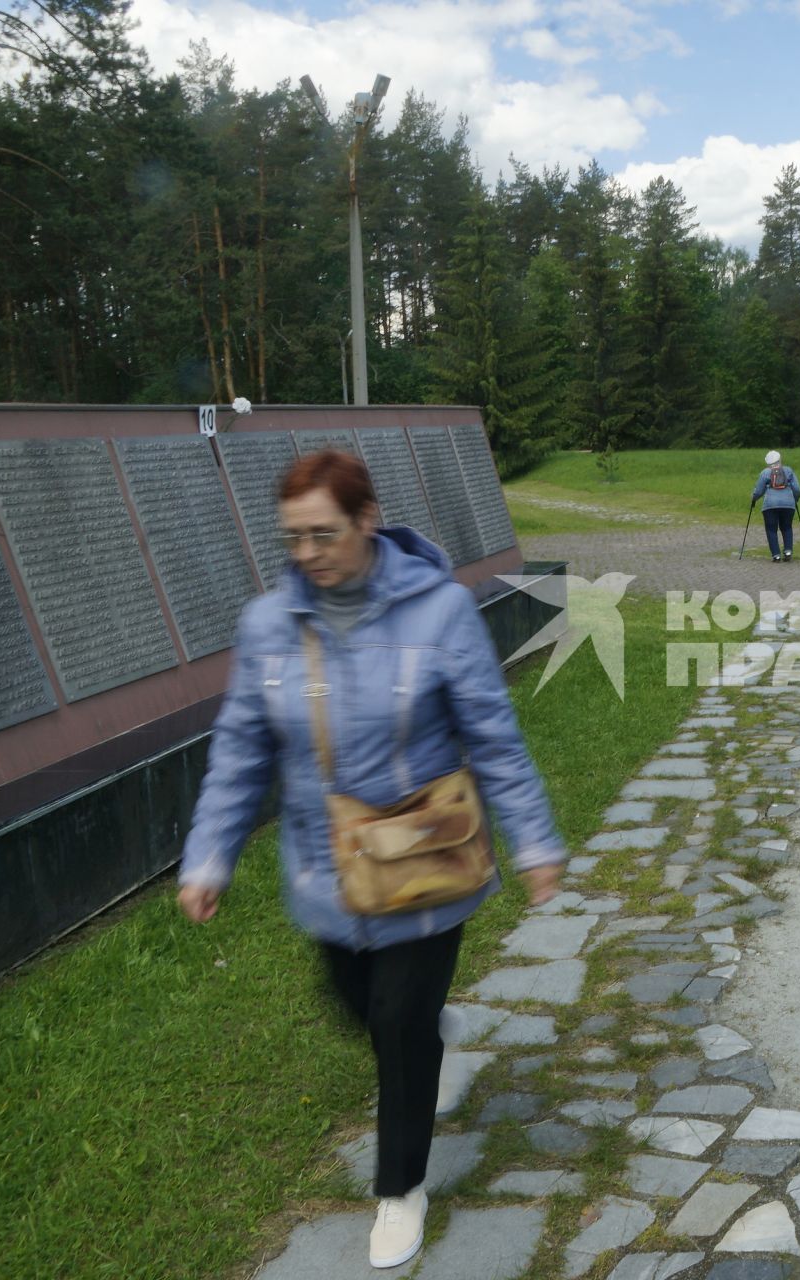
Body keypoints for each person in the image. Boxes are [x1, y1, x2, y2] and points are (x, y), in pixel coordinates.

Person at [175, 450, 565, 1270]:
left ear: (367, 519)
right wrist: (209, 856)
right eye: (294, 538)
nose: (309, 553)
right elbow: (242, 750)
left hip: (426, 856)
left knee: (396, 1021)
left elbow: (493, 737)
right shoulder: (268, 625)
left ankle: (400, 1188)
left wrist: (534, 841)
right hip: (327, 871)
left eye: (325, 533)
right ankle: (436, 1033)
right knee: (356, 999)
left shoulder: (440, 612)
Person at [752, 450, 800, 562]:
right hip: (788, 504)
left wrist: (754, 498)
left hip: (770, 505)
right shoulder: (788, 471)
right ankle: (788, 551)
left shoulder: (765, 473)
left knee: (771, 529)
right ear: (780, 460)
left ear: (768, 463)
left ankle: (776, 555)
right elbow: (797, 489)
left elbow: (759, 490)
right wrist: (795, 499)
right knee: (787, 527)